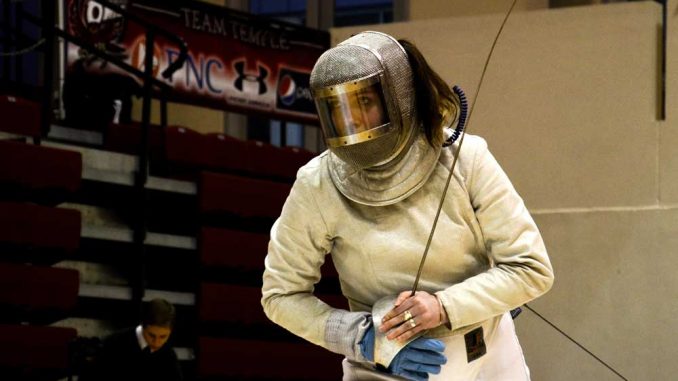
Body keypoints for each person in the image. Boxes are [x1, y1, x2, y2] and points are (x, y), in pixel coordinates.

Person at [261, 31, 554, 381]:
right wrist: (363, 337)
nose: (353, 122)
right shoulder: (317, 184)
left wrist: (446, 306)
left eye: (364, 102)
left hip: (490, 357)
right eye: (338, 110)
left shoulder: (465, 158)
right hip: (387, 364)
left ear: (397, 95)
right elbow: (280, 296)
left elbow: (530, 268)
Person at [85, 298, 183, 381]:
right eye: (152, 335)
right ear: (143, 325)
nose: (157, 343)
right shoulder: (113, 344)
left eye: (163, 337)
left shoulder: (168, 355)